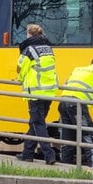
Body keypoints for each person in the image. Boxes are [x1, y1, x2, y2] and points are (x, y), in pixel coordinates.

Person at [16, 23, 58, 164]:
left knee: (37, 123)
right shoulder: (48, 48)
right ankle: (28, 153)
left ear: (29, 34)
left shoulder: (29, 49)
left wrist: (20, 79)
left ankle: (49, 155)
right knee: (35, 123)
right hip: (50, 90)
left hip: (36, 91)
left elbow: (21, 67)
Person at [58, 57, 93, 167]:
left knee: (67, 136)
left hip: (63, 102)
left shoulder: (78, 69)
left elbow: (65, 84)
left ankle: (64, 166)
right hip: (77, 105)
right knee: (88, 135)